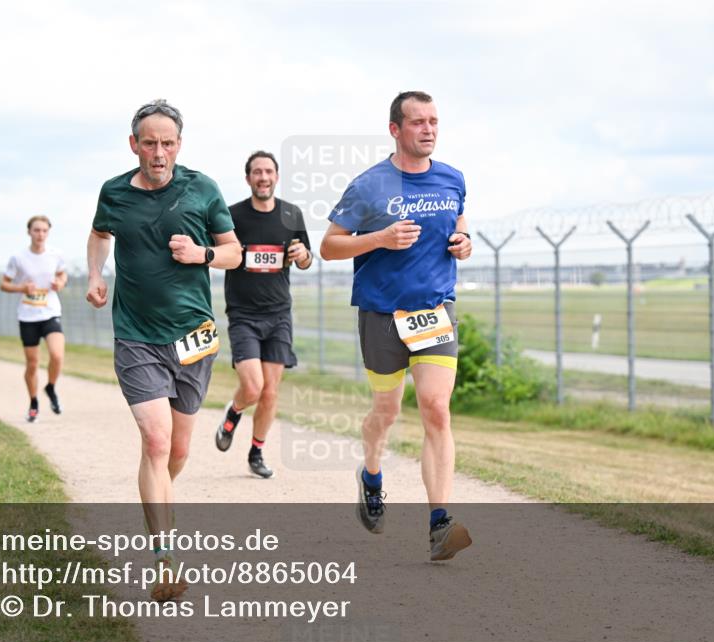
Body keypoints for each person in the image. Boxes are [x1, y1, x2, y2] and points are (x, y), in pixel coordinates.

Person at [86, 99, 241, 600]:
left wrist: (204, 254)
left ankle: (158, 505)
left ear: (179, 144)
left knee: (176, 451)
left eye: (167, 143)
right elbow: (99, 233)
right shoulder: (114, 192)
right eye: (149, 143)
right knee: (155, 442)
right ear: (134, 144)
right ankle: (165, 559)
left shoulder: (203, 189)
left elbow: (234, 252)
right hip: (136, 334)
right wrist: (94, 275)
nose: (158, 152)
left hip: (193, 338)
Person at [320, 91, 474, 561]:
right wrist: (381, 239)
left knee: (436, 409)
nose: (428, 130)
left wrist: (464, 241)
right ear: (395, 129)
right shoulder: (369, 186)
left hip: (434, 313)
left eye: (433, 122)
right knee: (385, 414)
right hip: (382, 316)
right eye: (417, 123)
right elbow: (329, 246)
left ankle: (439, 522)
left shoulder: (452, 178)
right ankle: (371, 474)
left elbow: (459, 221)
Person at [214, 150, 313, 478]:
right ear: (248, 178)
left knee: (271, 391)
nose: (263, 177)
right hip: (243, 314)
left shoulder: (291, 214)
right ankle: (234, 411)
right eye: (257, 172)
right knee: (253, 387)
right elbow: (218, 254)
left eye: (268, 171)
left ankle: (256, 451)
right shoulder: (232, 217)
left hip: (279, 314)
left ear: (276, 176)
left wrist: (302, 255)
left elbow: (306, 259)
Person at [1, 215, 67, 422]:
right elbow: (4, 284)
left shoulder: (56, 255)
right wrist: (22, 287)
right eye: (36, 230)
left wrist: (60, 283)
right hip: (28, 316)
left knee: (57, 355)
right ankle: (33, 402)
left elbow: (63, 275)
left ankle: (50, 387)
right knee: (32, 364)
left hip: (50, 312)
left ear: (48, 233)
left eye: (44, 231)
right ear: (29, 232)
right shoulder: (18, 257)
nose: (40, 234)